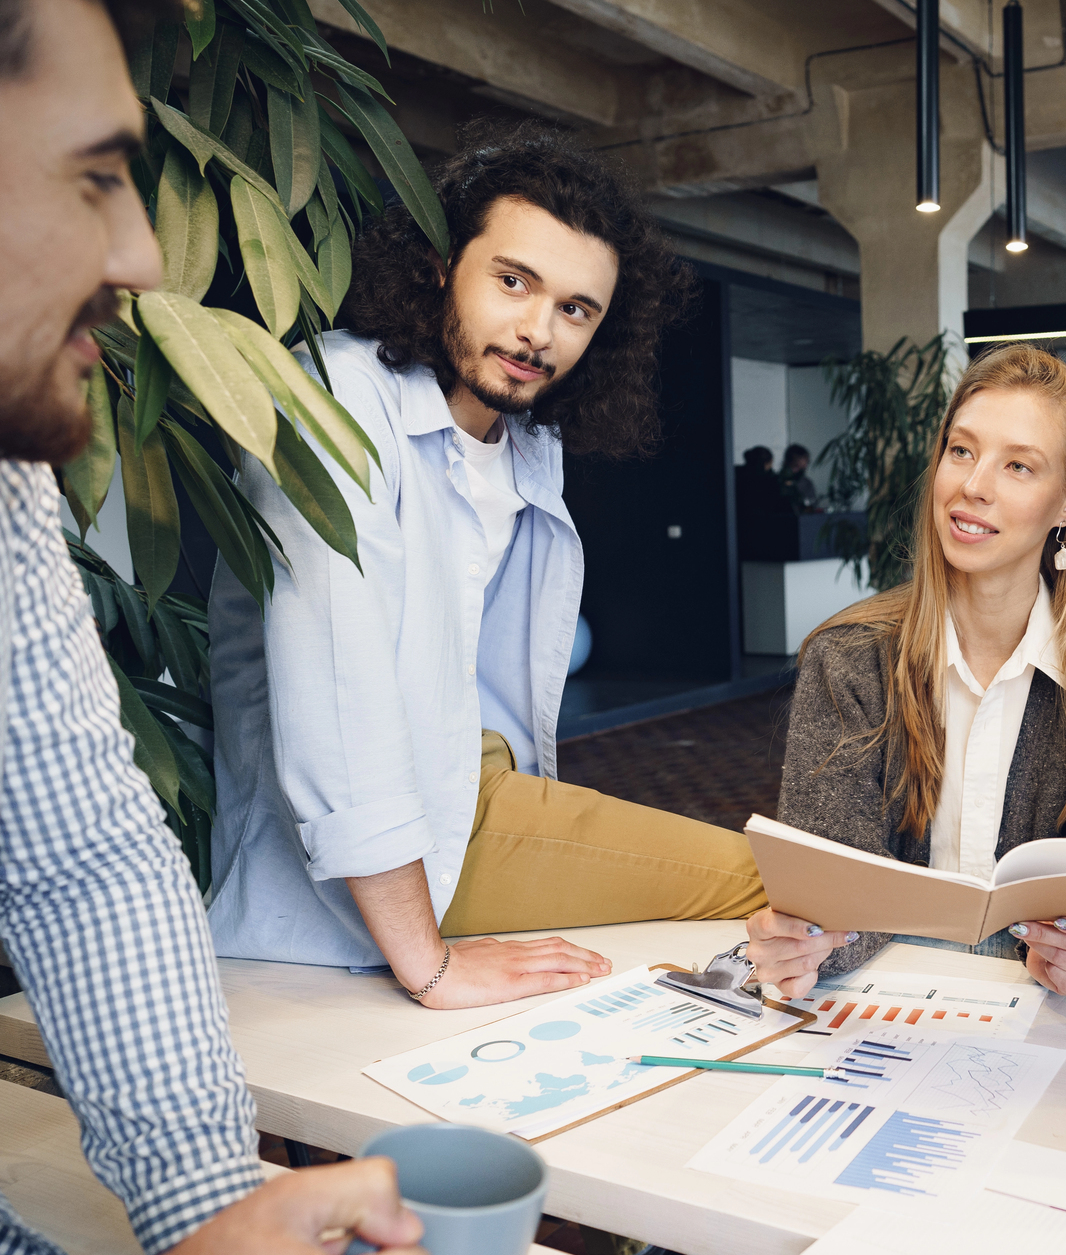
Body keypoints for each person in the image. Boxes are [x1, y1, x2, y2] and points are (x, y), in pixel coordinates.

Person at [0, 0, 569, 1255]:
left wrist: (233, 1230)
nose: (147, 255)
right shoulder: (338, 409)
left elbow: (86, 852)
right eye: (94, 178)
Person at [207, 118, 767, 1008]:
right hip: (378, 836)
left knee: (758, 886)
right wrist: (429, 962)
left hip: (474, 786)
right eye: (513, 281)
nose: (538, 330)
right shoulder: (335, 393)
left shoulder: (525, 440)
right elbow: (336, 695)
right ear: (438, 269)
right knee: (764, 878)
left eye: (576, 309)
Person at [745, 344, 1066, 999]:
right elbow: (832, 891)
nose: (973, 485)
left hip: (1057, 1010)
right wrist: (805, 940)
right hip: (882, 996)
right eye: (961, 450)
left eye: (1018, 465)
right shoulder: (848, 657)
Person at [780, 443, 820, 510]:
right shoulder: (777, 481)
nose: (805, 466)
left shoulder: (806, 483)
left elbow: (812, 504)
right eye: (795, 466)